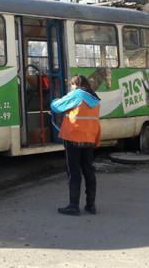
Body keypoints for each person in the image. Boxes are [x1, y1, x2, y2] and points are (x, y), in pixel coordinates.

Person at [51, 74, 101, 216]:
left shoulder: (77, 95)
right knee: (89, 172)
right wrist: (96, 140)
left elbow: (56, 107)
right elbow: (95, 122)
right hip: (89, 139)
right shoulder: (95, 99)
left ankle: (73, 206)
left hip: (73, 138)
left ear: (76, 84)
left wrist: (54, 100)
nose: (71, 88)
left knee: (74, 173)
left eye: (71, 85)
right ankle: (91, 206)